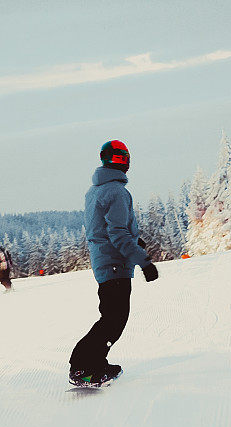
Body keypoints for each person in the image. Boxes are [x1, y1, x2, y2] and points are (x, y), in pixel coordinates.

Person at [68, 140, 159, 387]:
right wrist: (145, 262)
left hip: (106, 261)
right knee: (113, 319)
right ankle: (83, 367)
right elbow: (117, 233)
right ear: (122, 160)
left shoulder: (95, 190)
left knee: (111, 317)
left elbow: (104, 228)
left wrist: (134, 240)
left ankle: (93, 363)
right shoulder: (117, 191)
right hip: (115, 264)